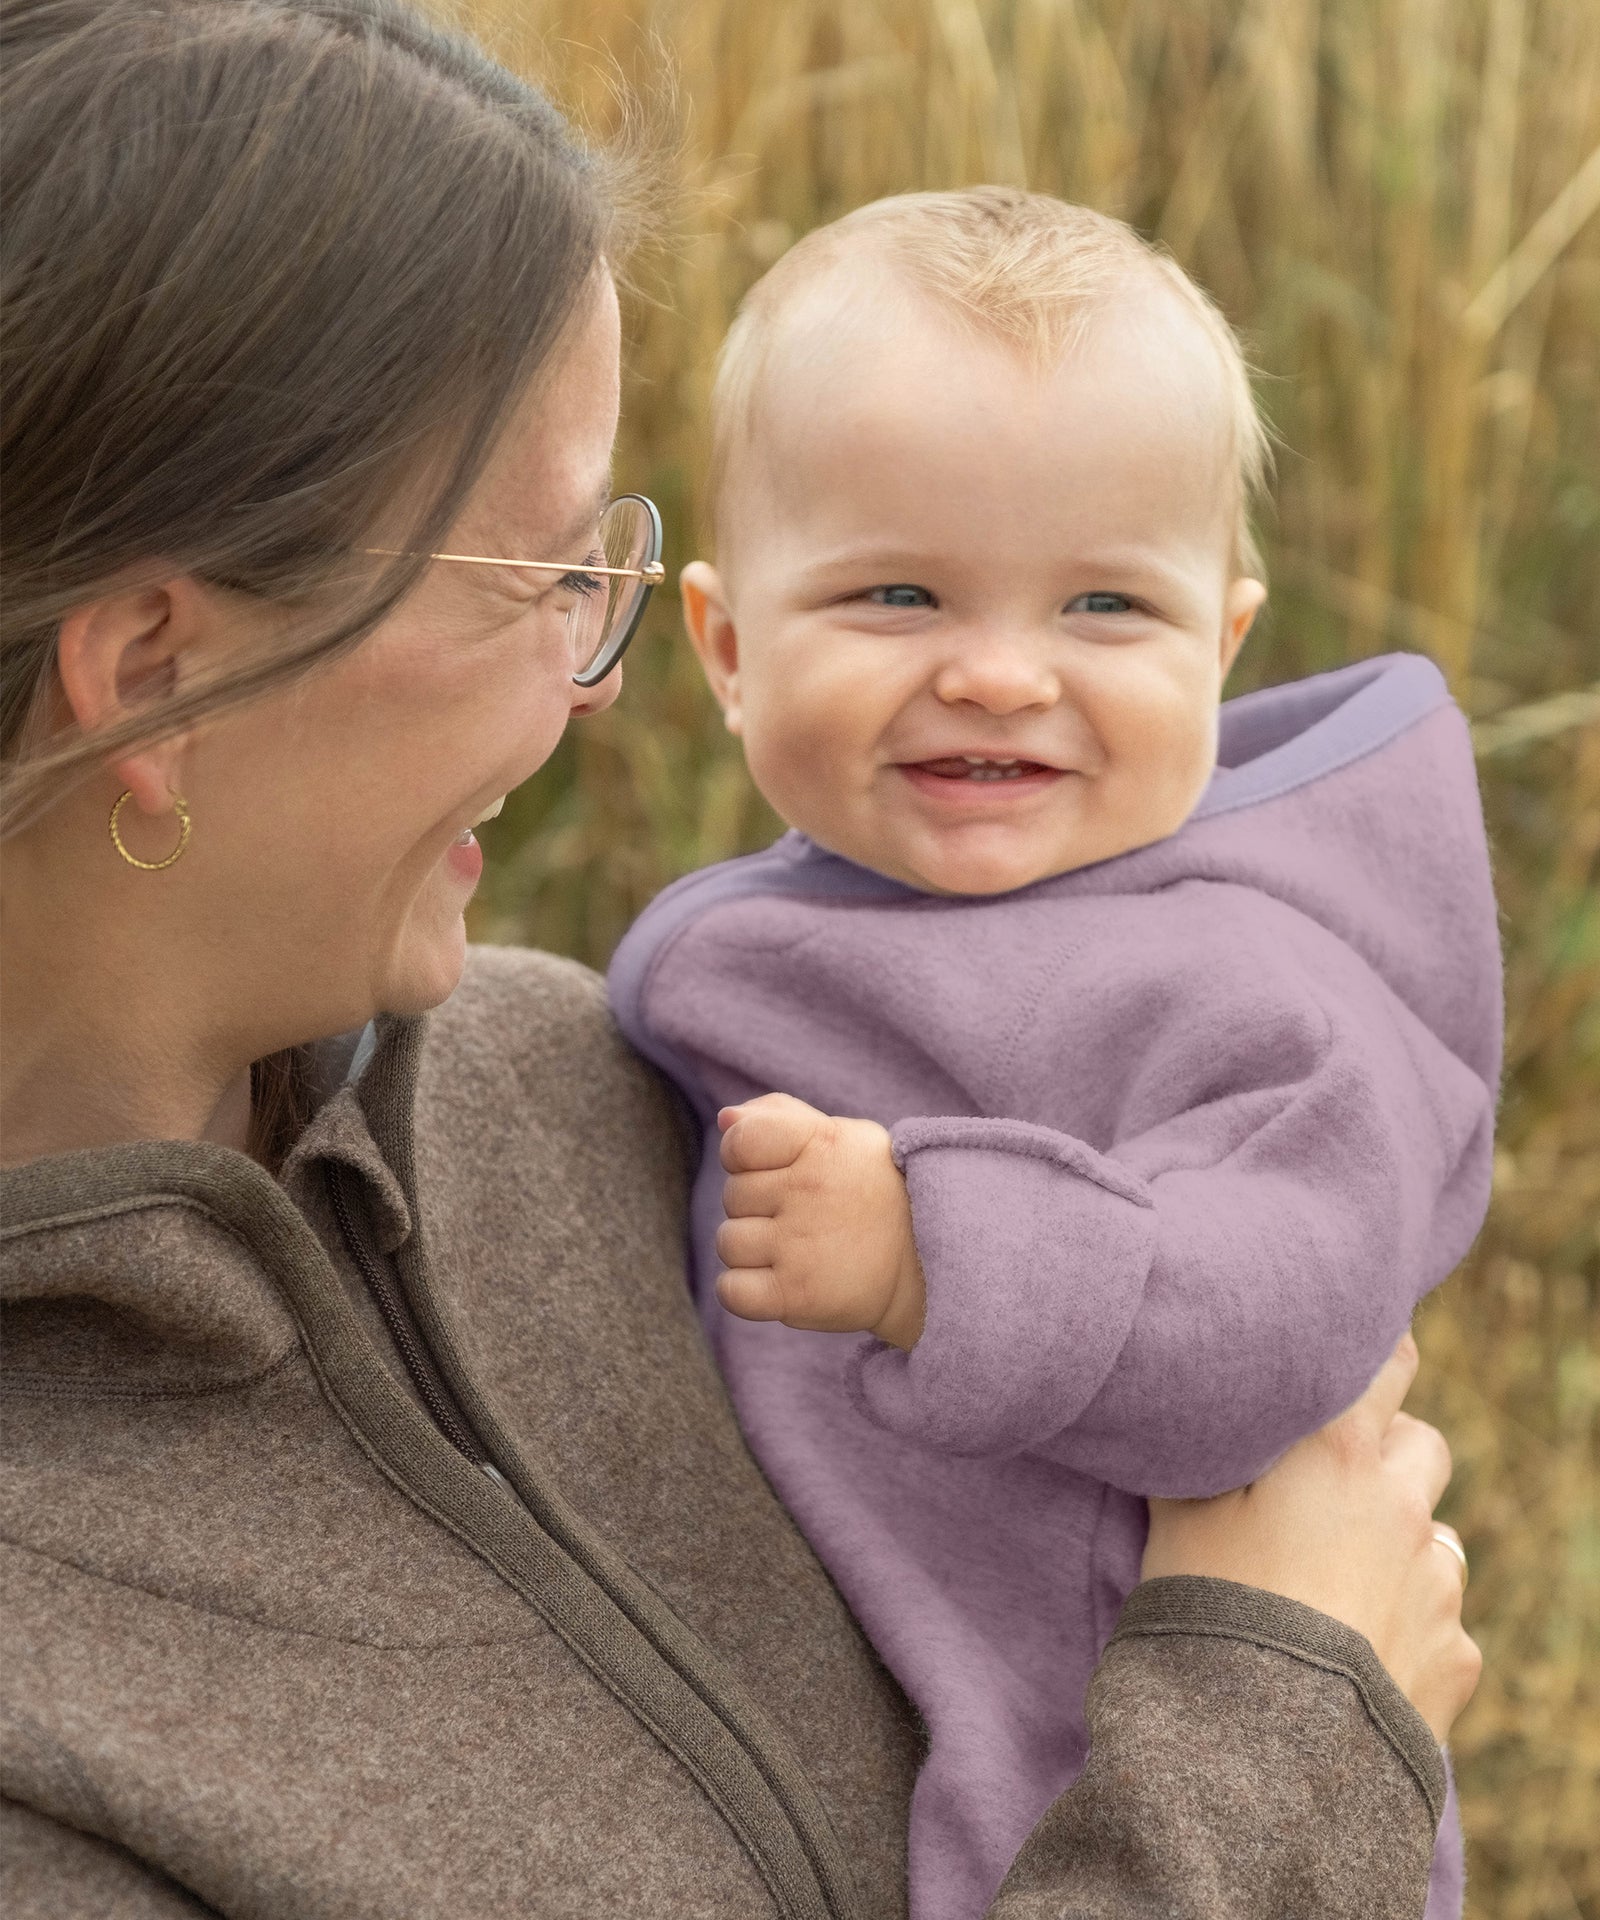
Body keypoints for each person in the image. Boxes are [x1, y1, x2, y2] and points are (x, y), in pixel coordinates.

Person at [0, 3, 1478, 1916]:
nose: (596, 688)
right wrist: (1288, 1720)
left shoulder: (605, 1087)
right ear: (153, 670)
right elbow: (1275, 1650)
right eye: (542, 582)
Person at [606, 190, 1500, 1920]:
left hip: (1119, 1717)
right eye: (897, 594)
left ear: (1222, 644)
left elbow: (1279, 1312)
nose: (1002, 675)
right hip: (841, 1700)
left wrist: (939, 1254)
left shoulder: (1252, 975)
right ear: (727, 647)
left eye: (1103, 605)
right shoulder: (782, 941)